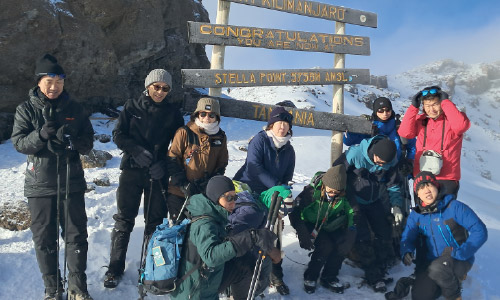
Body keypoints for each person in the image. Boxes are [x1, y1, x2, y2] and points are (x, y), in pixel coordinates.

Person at [11, 54, 94, 300]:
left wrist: (73, 140)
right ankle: (52, 289)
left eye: (59, 81)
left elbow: (88, 143)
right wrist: (41, 135)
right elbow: (19, 143)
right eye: (49, 80)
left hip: (72, 182)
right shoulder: (26, 109)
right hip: (40, 185)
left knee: (76, 237)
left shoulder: (75, 109)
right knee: (44, 240)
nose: (54, 86)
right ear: (39, 81)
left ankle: (78, 289)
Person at [104, 69, 184, 288]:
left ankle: (150, 266)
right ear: (148, 86)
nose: (160, 91)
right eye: (156, 86)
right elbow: (118, 134)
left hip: (157, 173)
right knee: (124, 218)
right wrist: (135, 151)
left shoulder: (172, 112)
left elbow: (178, 145)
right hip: (131, 170)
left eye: (165, 88)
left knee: (155, 222)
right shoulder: (132, 106)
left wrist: (163, 164)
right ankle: (114, 268)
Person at [170, 176, 278, 300]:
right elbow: (211, 256)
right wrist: (250, 237)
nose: (233, 202)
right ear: (216, 197)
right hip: (195, 292)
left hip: (206, 278)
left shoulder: (215, 215)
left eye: (235, 197)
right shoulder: (205, 224)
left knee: (245, 264)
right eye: (228, 198)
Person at [233, 105, 295, 295]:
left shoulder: (289, 150)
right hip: (248, 188)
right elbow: (253, 167)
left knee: (273, 230)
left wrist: (281, 194)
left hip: (271, 194)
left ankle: (275, 274)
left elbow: (287, 178)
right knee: (250, 225)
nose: (282, 127)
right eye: (279, 122)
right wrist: (276, 186)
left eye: (286, 123)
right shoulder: (260, 140)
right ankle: (238, 271)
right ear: (271, 124)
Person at [400, 171, 487, 300]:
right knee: (420, 295)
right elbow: (408, 237)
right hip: (433, 262)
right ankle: (445, 282)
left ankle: (455, 295)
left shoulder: (454, 207)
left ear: (437, 187)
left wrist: (462, 252)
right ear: (417, 194)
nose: (427, 191)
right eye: (421, 188)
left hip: (458, 258)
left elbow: (480, 231)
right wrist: (406, 250)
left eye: (429, 185)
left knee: (438, 269)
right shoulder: (416, 215)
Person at [333, 136, 403, 293]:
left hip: (373, 200)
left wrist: (397, 205)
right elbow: (336, 171)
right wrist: (342, 198)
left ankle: (381, 266)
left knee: (384, 231)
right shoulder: (356, 154)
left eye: (384, 163)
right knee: (362, 235)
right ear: (374, 153)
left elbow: (392, 185)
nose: (381, 165)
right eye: (379, 161)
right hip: (353, 199)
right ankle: (374, 276)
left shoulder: (389, 161)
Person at [289, 165, 356, 294]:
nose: (333, 194)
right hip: (310, 223)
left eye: (337, 192)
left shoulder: (345, 193)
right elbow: (295, 212)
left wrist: (351, 232)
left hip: (330, 223)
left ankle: (329, 276)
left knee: (342, 244)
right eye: (330, 191)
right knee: (325, 246)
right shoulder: (311, 192)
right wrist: (302, 232)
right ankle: (311, 276)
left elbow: (353, 211)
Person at [398, 86, 471, 197]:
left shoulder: (452, 120)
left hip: (447, 178)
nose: (431, 110)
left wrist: (446, 102)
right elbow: (405, 133)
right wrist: (414, 107)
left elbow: (461, 126)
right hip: (422, 177)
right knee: (423, 214)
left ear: (441, 103)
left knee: (446, 213)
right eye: (427, 105)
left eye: (435, 104)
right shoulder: (421, 121)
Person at [167, 97, 228, 220]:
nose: (207, 118)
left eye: (211, 115)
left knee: (200, 228)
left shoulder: (220, 137)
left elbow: (222, 163)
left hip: (204, 193)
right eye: (203, 114)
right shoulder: (185, 132)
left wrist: (210, 183)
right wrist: (183, 183)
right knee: (179, 230)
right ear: (197, 114)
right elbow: (173, 158)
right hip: (180, 193)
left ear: (217, 117)